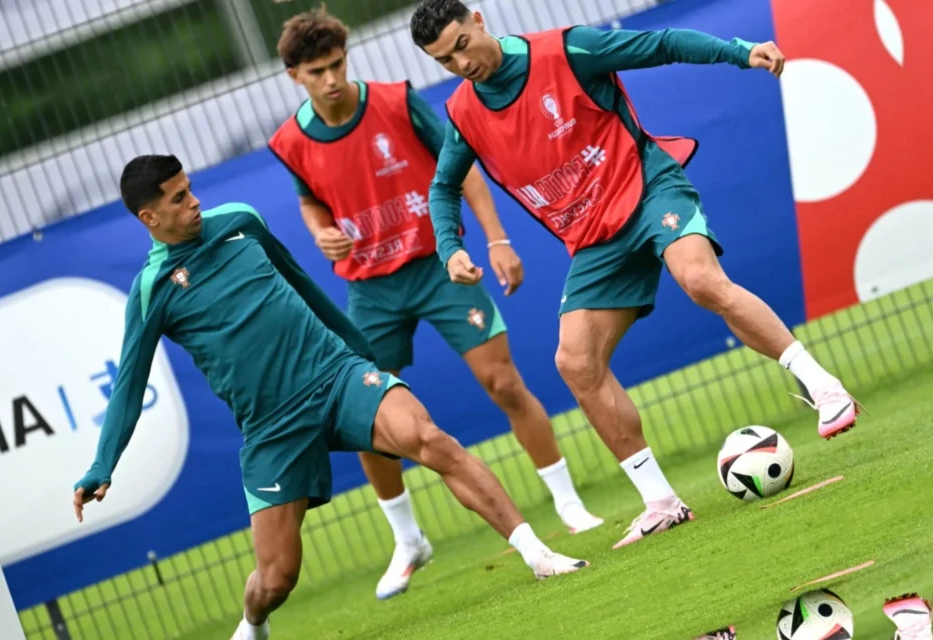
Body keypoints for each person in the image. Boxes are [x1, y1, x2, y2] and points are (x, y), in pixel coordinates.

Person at [71, 155, 587, 640]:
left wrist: (360, 355)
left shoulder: (240, 221)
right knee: (276, 581)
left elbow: (302, 286)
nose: (195, 202)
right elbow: (129, 387)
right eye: (179, 198)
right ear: (150, 216)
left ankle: (537, 554)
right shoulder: (151, 288)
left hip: (335, 375)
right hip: (271, 427)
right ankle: (252, 624)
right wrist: (102, 465)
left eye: (191, 190)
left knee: (428, 438)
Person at [408, 0, 862, 549]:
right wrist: (450, 245)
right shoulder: (462, 114)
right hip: (595, 239)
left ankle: (824, 386)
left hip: (647, 190)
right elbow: (442, 186)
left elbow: (663, 43)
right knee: (574, 362)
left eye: (461, 45)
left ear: (478, 21)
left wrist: (742, 52)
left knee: (699, 280)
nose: (461, 63)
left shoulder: (567, 49)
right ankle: (661, 502)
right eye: (445, 60)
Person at [267, 9, 602, 599]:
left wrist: (495, 239)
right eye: (317, 71)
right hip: (369, 287)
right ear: (294, 75)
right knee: (367, 417)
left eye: (338, 64)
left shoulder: (396, 101)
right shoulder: (290, 141)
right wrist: (320, 231)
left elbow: (462, 166)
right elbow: (310, 202)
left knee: (503, 383)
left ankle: (568, 503)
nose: (332, 79)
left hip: (438, 267)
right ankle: (408, 539)